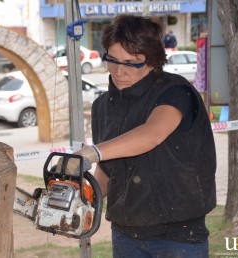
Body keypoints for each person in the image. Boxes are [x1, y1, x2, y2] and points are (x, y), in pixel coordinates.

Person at [59, 14, 216, 258]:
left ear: (152, 60)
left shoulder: (176, 92)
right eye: (112, 60)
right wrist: (83, 197)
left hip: (179, 235)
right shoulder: (103, 106)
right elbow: (109, 170)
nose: (120, 71)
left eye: (132, 62)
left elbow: (152, 134)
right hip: (126, 233)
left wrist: (90, 152)